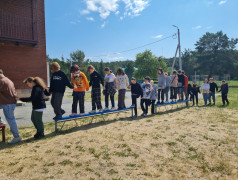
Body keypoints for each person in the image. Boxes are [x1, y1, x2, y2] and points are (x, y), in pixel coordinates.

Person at [0, 69, 21, 144]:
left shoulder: (1, 81)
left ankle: (17, 137)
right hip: (9, 102)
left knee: (11, 120)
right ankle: (0, 120)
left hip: (8, 103)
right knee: (11, 119)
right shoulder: (7, 79)